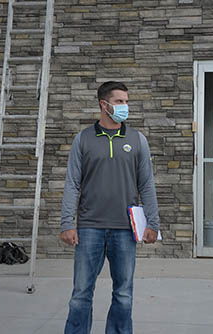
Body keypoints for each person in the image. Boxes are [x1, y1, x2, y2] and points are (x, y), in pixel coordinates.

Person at [60, 81, 160, 334]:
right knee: (81, 294)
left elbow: (147, 184)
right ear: (103, 105)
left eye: (126, 101)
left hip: (125, 230)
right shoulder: (82, 139)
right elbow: (72, 183)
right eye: (119, 101)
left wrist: (153, 223)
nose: (125, 106)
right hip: (89, 228)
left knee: (124, 294)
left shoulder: (138, 139)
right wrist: (66, 224)